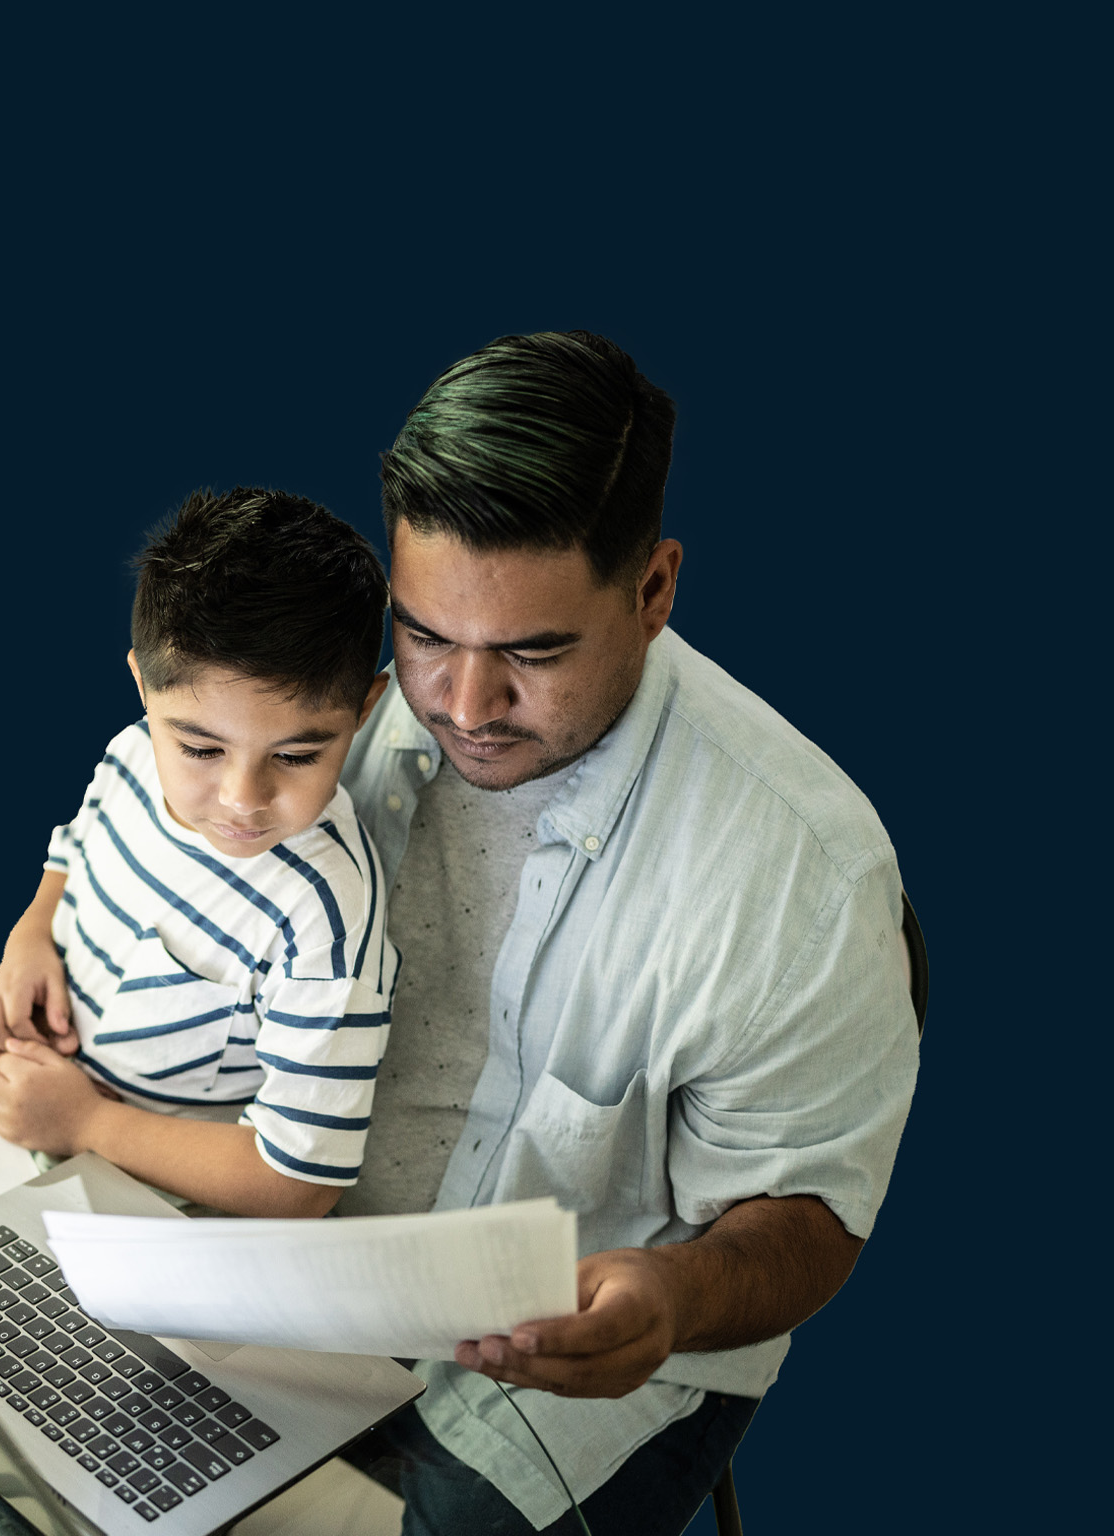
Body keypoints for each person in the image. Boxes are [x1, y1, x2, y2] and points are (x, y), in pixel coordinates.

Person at [335, 331, 920, 1533]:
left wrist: (672, 1292)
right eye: (428, 635)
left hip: (600, 1347)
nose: (461, 704)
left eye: (533, 653)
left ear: (654, 590)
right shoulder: (341, 702)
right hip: (310, 1272)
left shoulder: (803, 871)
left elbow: (809, 1217)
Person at [0, 487, 397, 1218]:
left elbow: (300, 1183)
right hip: (35, 1134)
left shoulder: (325, 915)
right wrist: (31, 935)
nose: (242, 797)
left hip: (169, 1218)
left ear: (365, 708)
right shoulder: (133, 753)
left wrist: (85, 1125)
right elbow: (71, 854)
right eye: (200, 747)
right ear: (142, 685)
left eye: (296, 756)